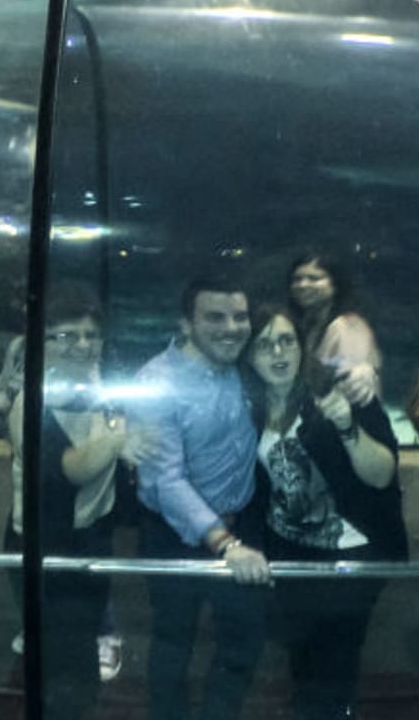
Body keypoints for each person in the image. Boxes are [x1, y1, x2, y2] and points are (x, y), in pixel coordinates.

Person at [238, 307, 405, 720]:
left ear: (302, 347)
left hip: (352, 552)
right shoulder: (248, 409)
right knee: (303, 662)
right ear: (249, 356)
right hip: (289, 553)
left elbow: (382, 474)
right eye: (264, 344)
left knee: (335, 663)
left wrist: (348, 426)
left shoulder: (339, 392)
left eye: (286, 340)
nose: (277, 352)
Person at [132, 278, 273, 720]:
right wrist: (226, 544)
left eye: (239, 317)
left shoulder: (243, 365)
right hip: (177, 534)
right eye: (215, 317)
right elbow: (166, 481)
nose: (231, 328)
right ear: (186, 324)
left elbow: (300, 359)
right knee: (173, 641)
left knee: (244, 638)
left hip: (243, 523)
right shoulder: (157, 382)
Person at [6, 294, 144, 720]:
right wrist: (121, 440)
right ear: (42, 343)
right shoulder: (30, 403)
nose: (83, 345)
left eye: (91, 335)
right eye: (66, 335)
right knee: (62, 659)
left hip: (91, 535)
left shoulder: (99, 389)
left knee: (78, 643)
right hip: (44, 544)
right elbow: (70, 468)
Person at [281, 251, 383, 410]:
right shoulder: (307, 324)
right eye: (297, 279)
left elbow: (354, 377)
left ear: (335, 284)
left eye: (314, 278)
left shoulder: (346, 325)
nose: (303, 285)